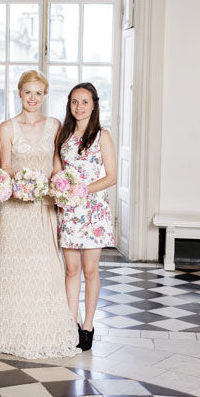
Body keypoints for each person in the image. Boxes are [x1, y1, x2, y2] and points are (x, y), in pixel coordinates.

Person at [0, 70, 80, 359]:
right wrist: (22, 185)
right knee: (12, 264)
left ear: (45, 95)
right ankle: (8, 329)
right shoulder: (7, 127)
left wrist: (56, 188)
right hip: (15, 207)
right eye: (28, 92)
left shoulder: (55, 125)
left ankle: (46, 329)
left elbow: (58, 166)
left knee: (44, 265)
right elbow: (6, 166)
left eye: (39, 93)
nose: (33, 98)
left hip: (44, 207)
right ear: (19, 93)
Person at [55, 82, 117, 351]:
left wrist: (82, 190)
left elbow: (112, 177)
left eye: (84, 102)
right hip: (69, 211)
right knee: (71, 270)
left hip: (93, 212)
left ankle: (88, 325)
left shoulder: (102, 135)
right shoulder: (63, 136)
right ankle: (71, 324)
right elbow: (58, 173)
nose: (79, 107)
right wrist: (63, 189)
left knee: (90, 270)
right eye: (74, 102)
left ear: (94, 105)